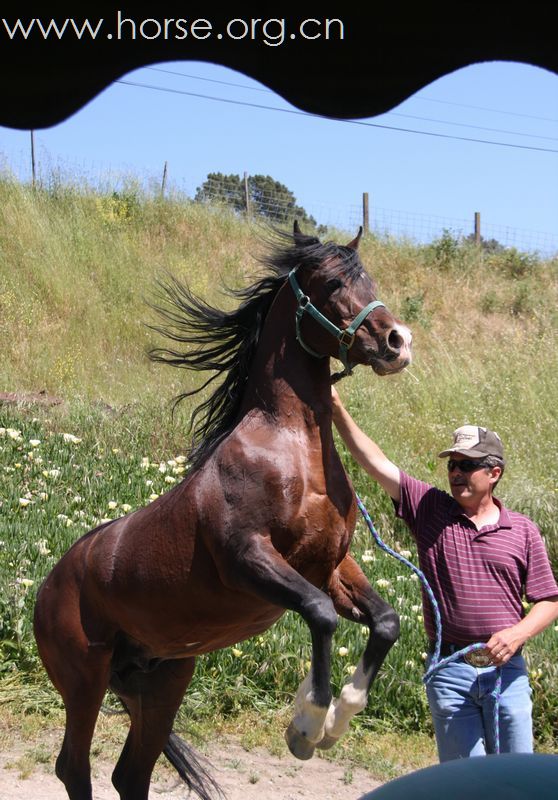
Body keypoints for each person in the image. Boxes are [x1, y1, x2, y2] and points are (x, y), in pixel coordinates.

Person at [331, 387, 558, 762]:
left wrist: (517, 634)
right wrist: (336, 407)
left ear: (494, 472)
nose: (455, 472)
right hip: (450, 672)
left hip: (508, 673)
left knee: (516, 779)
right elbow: (375, 462)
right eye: (452, 464)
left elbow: (549, 601)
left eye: (466, 465)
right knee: (463, 782)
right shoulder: (430, 508)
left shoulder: (523, 530)